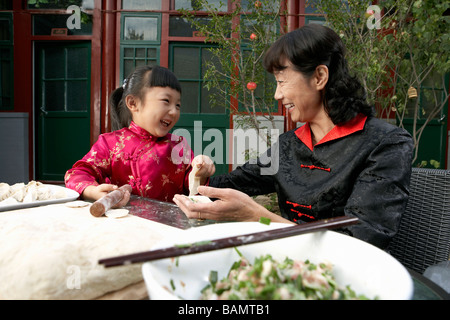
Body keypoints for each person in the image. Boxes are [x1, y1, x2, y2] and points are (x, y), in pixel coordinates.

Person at [173, 24, 414, 249]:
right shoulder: (290, 144)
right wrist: (199, 175)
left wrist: (258, 217)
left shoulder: (384, 144)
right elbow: (234, 183)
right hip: (288, 263)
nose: (277, 95)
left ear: (319, 77)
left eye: (281, 81)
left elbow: (360, 242)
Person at [65, 65, 215, 206]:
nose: (174, 111)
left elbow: (191, 188)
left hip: (170, 227)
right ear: (133, 103)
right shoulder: (110, 143)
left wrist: (201, 171)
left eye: (178, 105)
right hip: (125, 224)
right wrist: (92, 191)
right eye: (166, 101)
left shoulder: (178, 145)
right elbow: (77, 174)